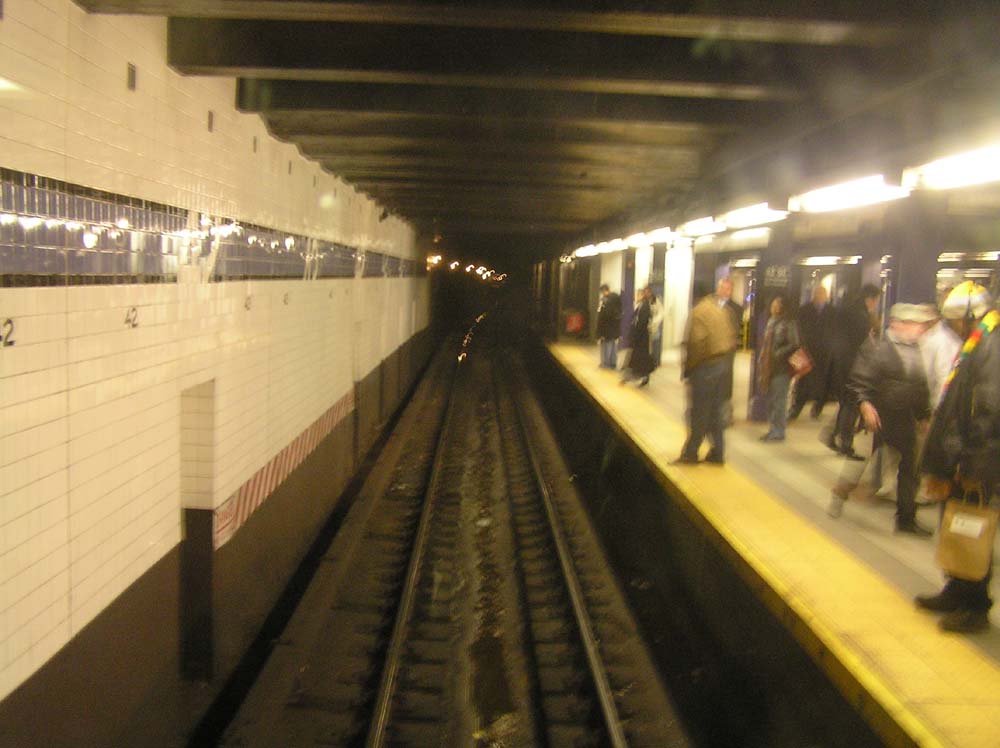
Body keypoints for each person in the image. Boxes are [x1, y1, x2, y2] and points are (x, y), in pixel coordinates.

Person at [914, 282, 1000, 633]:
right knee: (955, 521)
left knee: (973, 526)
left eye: (955, 321)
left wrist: (974, 464)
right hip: (961, 454)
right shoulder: (978, 340)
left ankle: (976, 605)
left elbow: (987, 409)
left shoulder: (992, 345)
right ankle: (956, 588)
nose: (953, 327)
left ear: (971, 315)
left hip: (978, 458)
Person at [828, 304, 933, 536]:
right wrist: (865, 405)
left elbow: (920, 387)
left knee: (909, 469)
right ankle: (840, 493)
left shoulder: (916, 350)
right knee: (858, 462)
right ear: (897, 324)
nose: (918, 329)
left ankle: (906, 519)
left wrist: (924, 415)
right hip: (875, 419)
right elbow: (858, 381)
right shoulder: (876, 348)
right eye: (913, 324)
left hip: (904, 419)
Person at [676, 278, 738, 464]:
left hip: (705, 368)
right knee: (715, 413)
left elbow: (696, 344)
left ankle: (691, 452)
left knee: (699, 412)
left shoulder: (699, 311)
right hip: (722, 366)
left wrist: (688, 369)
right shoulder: (722, 311)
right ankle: (718, 453)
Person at [826, 283, 881, 460]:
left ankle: (832, 436)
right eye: (876, 300)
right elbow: (863, 345)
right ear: (870, 299)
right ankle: (845, 445)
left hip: (840, 364)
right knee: (851, 406)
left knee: (846, 404)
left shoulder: (847, 310)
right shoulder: (861, 317)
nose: (876, 304)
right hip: (853, 367)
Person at [757, 294, 800, 442]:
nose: (774, 307)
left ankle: (778, 432)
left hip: (781, 368)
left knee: (779, 401)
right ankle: (773, 429)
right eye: (773, 304)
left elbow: (794, 344)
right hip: (769, 368)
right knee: (771, 400)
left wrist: (777, 353)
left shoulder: (788, 323)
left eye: (777, 304)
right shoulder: (771, 321)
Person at [789, 285, 834, 420]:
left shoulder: (832, 312)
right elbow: (799, 329)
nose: (820, 296)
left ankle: (817, 408)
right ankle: (795, 409)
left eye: (823, 294)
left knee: (823, 383)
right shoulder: (804, 310)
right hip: (807, 352)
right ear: (813, 295)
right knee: (803, 381)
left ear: (826, 296)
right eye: (818, 293)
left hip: (824, 353)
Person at [620, 286, 655, 387]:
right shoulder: (640, 306)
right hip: (638, 337)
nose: (636, 297)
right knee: (640, 358)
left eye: (638, 294)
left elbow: (642, 322)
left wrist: (635, 334)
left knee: (640, 358)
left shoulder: (645, 306)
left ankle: (639, 376)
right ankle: (643, 375)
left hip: (641, 337)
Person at [596, 283, 623, 369]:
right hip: (614, 327)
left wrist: (599, 329)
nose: (602, 294)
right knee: (613, 345)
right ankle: (612, 363)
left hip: (607, 327)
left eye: (602, 292)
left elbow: (604, 314)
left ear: (605, 290)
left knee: (606, 345)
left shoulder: (607, 300)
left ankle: (605, 363)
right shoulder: (617, 298)